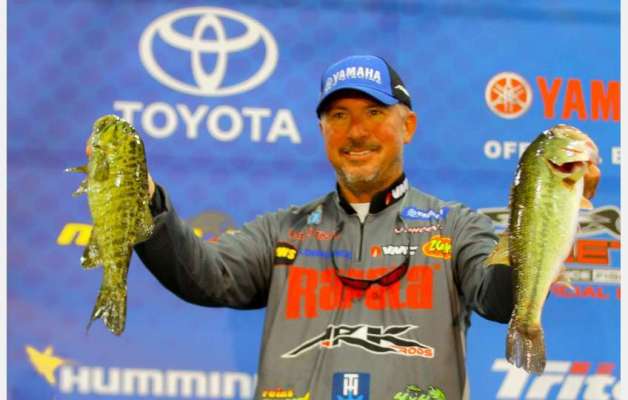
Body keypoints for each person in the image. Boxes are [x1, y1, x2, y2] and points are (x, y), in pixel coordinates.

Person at [132, 55, 517, 399]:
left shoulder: (454, 227)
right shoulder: (282, 230)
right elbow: (202, 276)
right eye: (338, 115)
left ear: (408, 126)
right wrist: (143, 197)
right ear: (322, 130)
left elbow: (503, 301)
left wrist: (538, 228)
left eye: (374, 112)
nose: (356, 131)